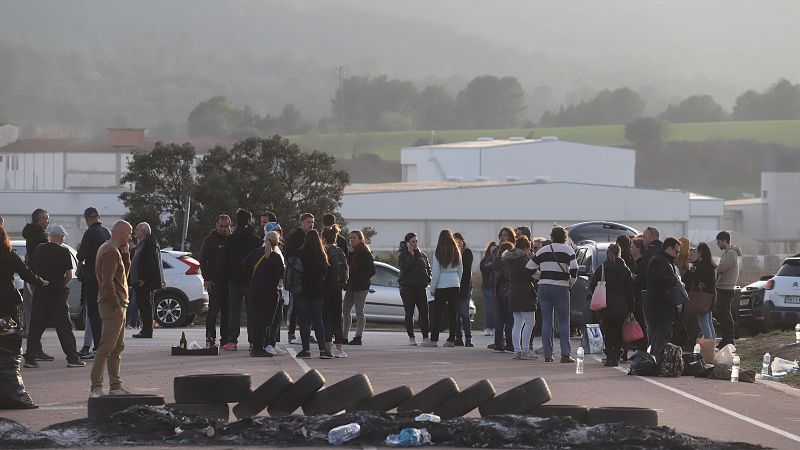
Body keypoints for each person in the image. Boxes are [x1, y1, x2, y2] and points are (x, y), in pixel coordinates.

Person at [23, 225, 84, 368]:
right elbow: (69, 275)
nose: (63, 239)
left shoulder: (39, 249)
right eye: (63, 236)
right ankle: (73, 358)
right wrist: (61, 285)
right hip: (57, 294)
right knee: (64, 327)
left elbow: (33, 268)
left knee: (36, 326)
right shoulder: (64, 251)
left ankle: (30, 358)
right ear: (57, 236)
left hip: (40, 292)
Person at [0, 226, 47, 409]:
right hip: (8, 303)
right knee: (9, 336)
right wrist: (40, 281)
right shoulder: (10, 256)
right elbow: (26, 274)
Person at [90, 220, 133, 398]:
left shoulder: (110, 249)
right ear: (121, 232)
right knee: (106, 347)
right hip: (112, 305)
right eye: (129, 233)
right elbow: (107, 281)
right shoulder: (110, 251)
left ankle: (115, 386)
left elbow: (123, 277)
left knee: (117, 347)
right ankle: (96, 387)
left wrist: (127, 255)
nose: (130, 237)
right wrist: (115, 304)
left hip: (117, 304)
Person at [527, 225, 578, 363]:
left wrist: (540, 276)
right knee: (563, 321)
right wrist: (571, 281)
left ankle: (548, 355)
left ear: (552, 237)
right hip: (561, 288)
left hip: (544, 287)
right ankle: (565, 355)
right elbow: (574, 267)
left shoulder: (543, 250)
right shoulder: (568, 250)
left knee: (546, 321)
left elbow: (529, 267)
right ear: (565, 237)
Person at [221, 209, 262, 351]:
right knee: (252, 312)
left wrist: (227, 278)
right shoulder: (256, 240)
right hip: (251, 280)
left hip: (234, 280)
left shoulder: (230, 240)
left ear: (236, 221)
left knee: (234, 312)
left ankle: (233, 341)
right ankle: (253, 341)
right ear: (249, 221)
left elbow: (225, 262)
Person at [588, 243, 634, 367]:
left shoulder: (602, 268)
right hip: (621, 306)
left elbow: (591, 285)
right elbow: (630, 291)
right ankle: (616, 356)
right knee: (619, 331)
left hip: (605, 305)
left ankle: (609, 356)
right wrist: (631, 309)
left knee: (608, 331)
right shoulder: (625, 269)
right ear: (619, 253)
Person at [243, 231, 285, 357]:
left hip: (253, 290)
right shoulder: (276, 257)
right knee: (265, 321)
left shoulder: (255, 252)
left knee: (256, 319)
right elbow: (282, 274)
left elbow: (245, 265)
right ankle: (258, 347)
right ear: (276, 243)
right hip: (269, 293)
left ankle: (255, 345)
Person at [76, 207, 111, 359]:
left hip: (92, 277)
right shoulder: (107, 232)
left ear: (86, 219)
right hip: (106, 277)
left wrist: (79, 249)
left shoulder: (89, 233)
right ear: (99, 217)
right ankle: (105, 346)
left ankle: (98, 348)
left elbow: (81, 255)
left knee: (93, 313)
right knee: (104, 313)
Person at [644, 237, 681, 364]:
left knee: (657, 334)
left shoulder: (662, 260)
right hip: (658, 304)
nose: (677, 255)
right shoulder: (660, 261)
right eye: (676, 251)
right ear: (669, 248)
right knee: (664, 333)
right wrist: (674, 280)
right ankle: (656, 360)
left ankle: (653, 360)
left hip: (658, 303)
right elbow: (659, 279)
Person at [425, 230, 462, 347]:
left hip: (441, 286)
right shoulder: (457, 251)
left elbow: (436, 272)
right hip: (455, 285)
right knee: (453, 313)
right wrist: (457, 282)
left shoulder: (438, 252)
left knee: (437, 313)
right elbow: (461, 270)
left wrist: (433, 288)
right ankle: (451, 339)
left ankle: (434, 339)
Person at [296, 229, 330, 358]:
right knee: (318, 320)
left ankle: (306, 350)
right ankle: (322, 350)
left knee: (304, 320)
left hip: (303, 290)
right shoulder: (322, 254)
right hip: (318, 291)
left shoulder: (301, 253)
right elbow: (325, 273)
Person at [199, 215, 232, 347]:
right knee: (213, 312)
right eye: (221, 226)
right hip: (214, 282)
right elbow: (202, 259)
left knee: (227, 313)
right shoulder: (210, 240)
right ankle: (210, 338)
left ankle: (225, 339)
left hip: (229, 282)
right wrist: (206, 278)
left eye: (226, 226)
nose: (224, 229)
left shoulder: (231, 240)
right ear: (216, 225)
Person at [504, 236, 537, 360]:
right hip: (524, 293)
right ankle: (525, 351)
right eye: (529, 249)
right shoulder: (524, 259)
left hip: (513, 292)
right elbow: (530, 275)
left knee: (517, 323)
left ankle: (516, 351)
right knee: (530, 323)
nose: (529, 251)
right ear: (524, 248)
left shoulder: (510, 259)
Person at [285, 213, 316, 345]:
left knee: (309, 307)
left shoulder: (313, 236)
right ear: (301, 222)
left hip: (309, 277)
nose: (311, 224)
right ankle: (291, 333)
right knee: (295, 307)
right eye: (309, 222)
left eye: (312, 222)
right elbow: (288, 256)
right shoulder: (294, 237)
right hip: (297, 276)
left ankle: (307, 333)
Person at [398, 232, 432, 346]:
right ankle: (411, 337)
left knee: (424, 313)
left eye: (416, 241)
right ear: (407, 243)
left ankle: (425, 337)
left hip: (421, 288)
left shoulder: (422, 255)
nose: (415, 243)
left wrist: (428, 279)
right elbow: (405, 267)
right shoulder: (403, 255)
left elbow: (428, 269)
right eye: (412, 242)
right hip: (407, 288)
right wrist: (411, 255)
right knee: (409, 312)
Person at [130, 223, 163, 338]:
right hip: (138, 281)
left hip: (144, 282)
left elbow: (150, 263)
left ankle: (147, 330)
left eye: (137, 228)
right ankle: (145, 329)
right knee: (142, 305)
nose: (135, 230)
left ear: (143, 231)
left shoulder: (148, 243)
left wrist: (143, 278)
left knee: (145, 305)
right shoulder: (141, 244)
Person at [342, 230, 375, 346]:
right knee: (345, 310)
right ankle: (344, 336)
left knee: (359, 311)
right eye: (350, 238)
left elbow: (372, 271)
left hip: (361, 286)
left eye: (354, 238)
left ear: (360, 239)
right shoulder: (351, 252)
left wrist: (360, 277)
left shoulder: (365, 252)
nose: (352, 240)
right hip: (350, 285)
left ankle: (358, 337)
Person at [21, 208, 50, 335]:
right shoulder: (41, 236)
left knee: (28, 306)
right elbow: (43, 258)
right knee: (38, 309)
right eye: (47, 218)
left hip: (29, 275)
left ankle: (29, 330)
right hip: (38, 276)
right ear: (40, 219)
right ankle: (33, 334)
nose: (48, 221)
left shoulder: (30, 233)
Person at [321, 227, 348, 358]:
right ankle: (339, 349)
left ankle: (328, 348)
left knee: (326, 318)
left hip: (326, 288)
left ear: (323, 238)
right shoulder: (340, 251)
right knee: (337, 317)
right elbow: (345, 269)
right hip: (337, 288)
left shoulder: (323, 250)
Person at [685, 243, 717, 341]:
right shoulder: (710, 264)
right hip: (710, 297)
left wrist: (693, 273)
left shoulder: (702, 266)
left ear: (701, 253)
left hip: (702, 298)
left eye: (697, 251)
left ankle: (708, 348)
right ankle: (712, 346)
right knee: (709, 323)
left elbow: (699, 279)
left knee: (704, 324)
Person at [715, 231, 741, 349]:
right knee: (722, 313)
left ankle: (729, 339)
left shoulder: (730, 253)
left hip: (726, 288)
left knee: (725, 314)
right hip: (722, 287)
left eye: (719, 241)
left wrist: (714, 264)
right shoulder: (727, 253)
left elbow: (722, 268)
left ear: (724, 240)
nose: (717, 244)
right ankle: (726, 339)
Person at [492, 241, 515, 352]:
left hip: (498, 291)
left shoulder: (497, 261)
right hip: (508, 291)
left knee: (499, 319)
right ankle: (510, 344)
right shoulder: (509, 261)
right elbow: (508, 276)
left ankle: (498, 343)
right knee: (510, 319)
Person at [453, 233, 474, 347]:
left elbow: (466, 270)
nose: (458, 242)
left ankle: (468, 338)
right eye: (455, 240)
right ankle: (458, 338)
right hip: (454, 286)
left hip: (465, 286)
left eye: (459, 240)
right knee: (455, 314)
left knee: (464, 313)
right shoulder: (452, 253)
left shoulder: (467, 252)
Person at [478, 242, 497, 337]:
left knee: (496, 308)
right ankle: (487, 327)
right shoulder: (485, 260)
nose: (493, 252)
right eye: (492, 250)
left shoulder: (498, 260)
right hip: (487, 286)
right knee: (490, 307)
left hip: (495, 286)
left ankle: (494, 327)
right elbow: (483, 269)